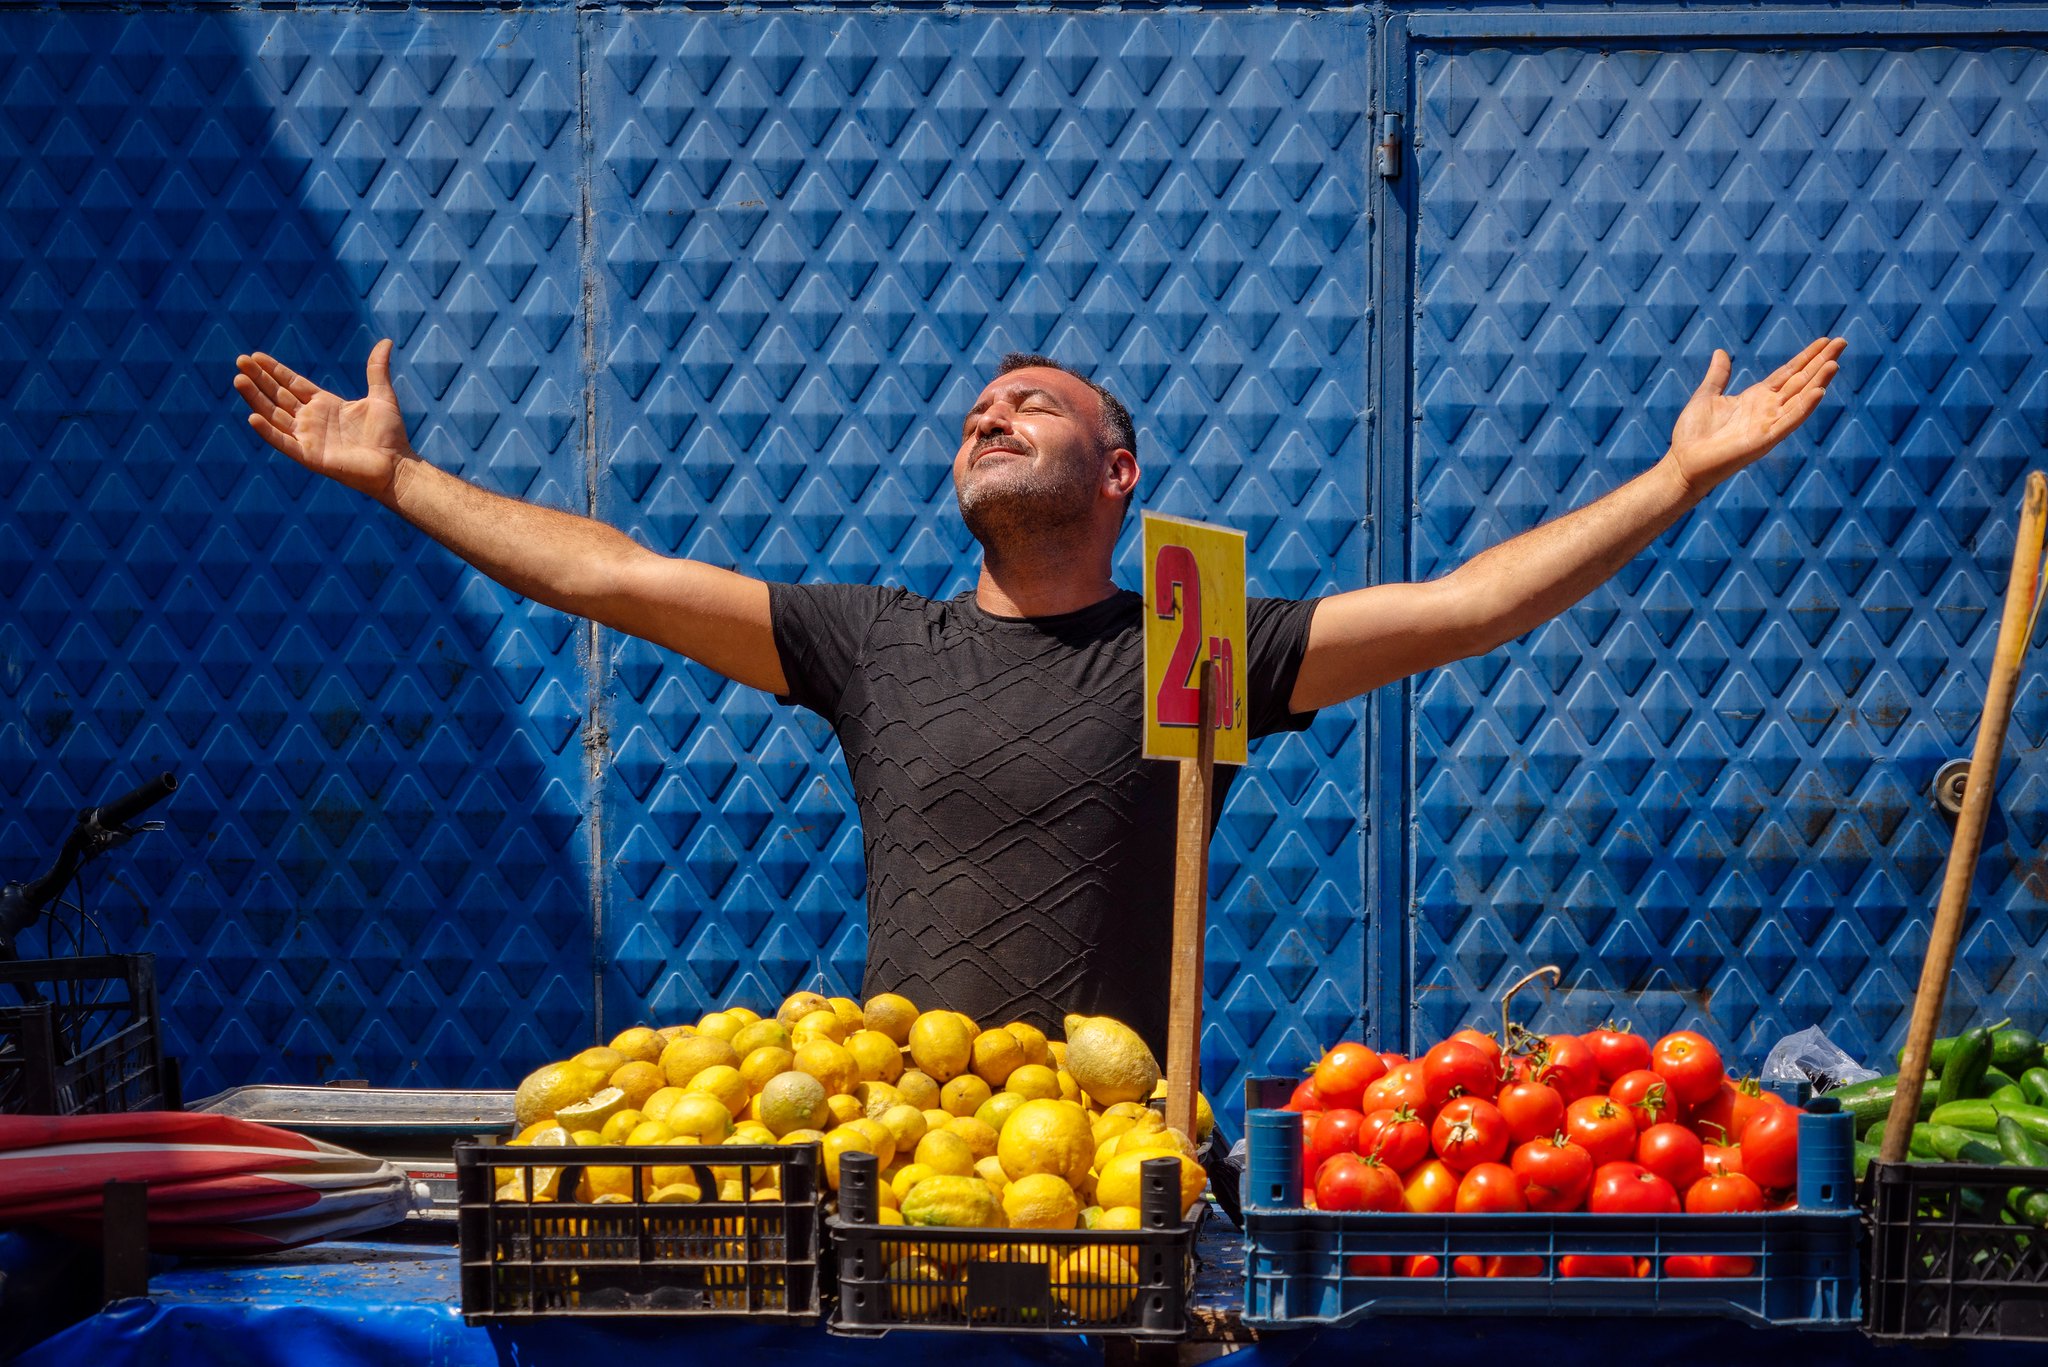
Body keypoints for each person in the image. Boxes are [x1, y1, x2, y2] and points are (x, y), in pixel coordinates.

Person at [233, 338, 1845, 1056]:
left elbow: (1472, 604)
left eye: (1036, 405)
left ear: (1119, 472)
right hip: (916, 1140)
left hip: (1107, 1167)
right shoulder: (873, 641)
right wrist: (403, 480)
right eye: (978, 409)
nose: (990, 413)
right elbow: (610, 573)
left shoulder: (1198, 645)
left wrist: (1674, 478)